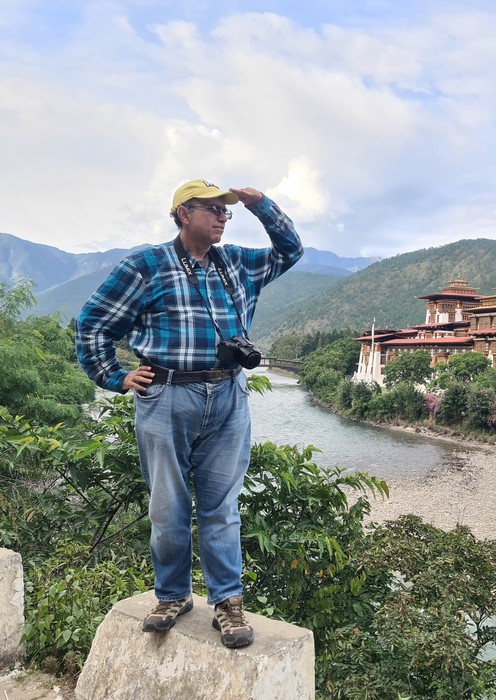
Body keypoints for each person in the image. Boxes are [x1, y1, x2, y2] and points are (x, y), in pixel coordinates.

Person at [76, 179, 303, 648]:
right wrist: (114, 377)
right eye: (213, 209)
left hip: (227, 394)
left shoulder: (237, 262)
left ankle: (227, 604)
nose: (223, 217)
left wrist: (261, 205)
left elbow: (290, 250)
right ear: (183, 213)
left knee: (222, 506)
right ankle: (173, 595)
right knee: (168, 506)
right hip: (166, 395)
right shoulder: (146, 265)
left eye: (227, 212)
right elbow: (92, 324)